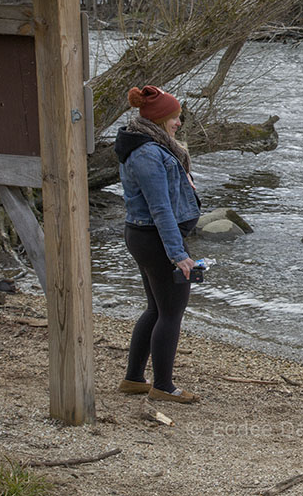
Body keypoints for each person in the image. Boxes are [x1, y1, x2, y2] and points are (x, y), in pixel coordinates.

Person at [114, 85, 202, 403]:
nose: (179, 122)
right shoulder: (147, 153)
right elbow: (160, 208)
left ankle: (134, 379)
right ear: (160, 118)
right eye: (175, 117)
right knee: (171, 312)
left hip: (145, 236)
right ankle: (163, 386)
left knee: (156, 308)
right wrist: (178, 255)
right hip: (154, 238)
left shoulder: (149, 144)